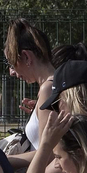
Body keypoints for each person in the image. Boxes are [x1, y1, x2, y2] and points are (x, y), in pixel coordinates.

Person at [4, 19, 56, 155]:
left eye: (11, 63)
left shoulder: (47, 89)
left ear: (27, 57)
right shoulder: (51, 86)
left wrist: (1, 161)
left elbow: (46, 155)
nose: (12, 72)